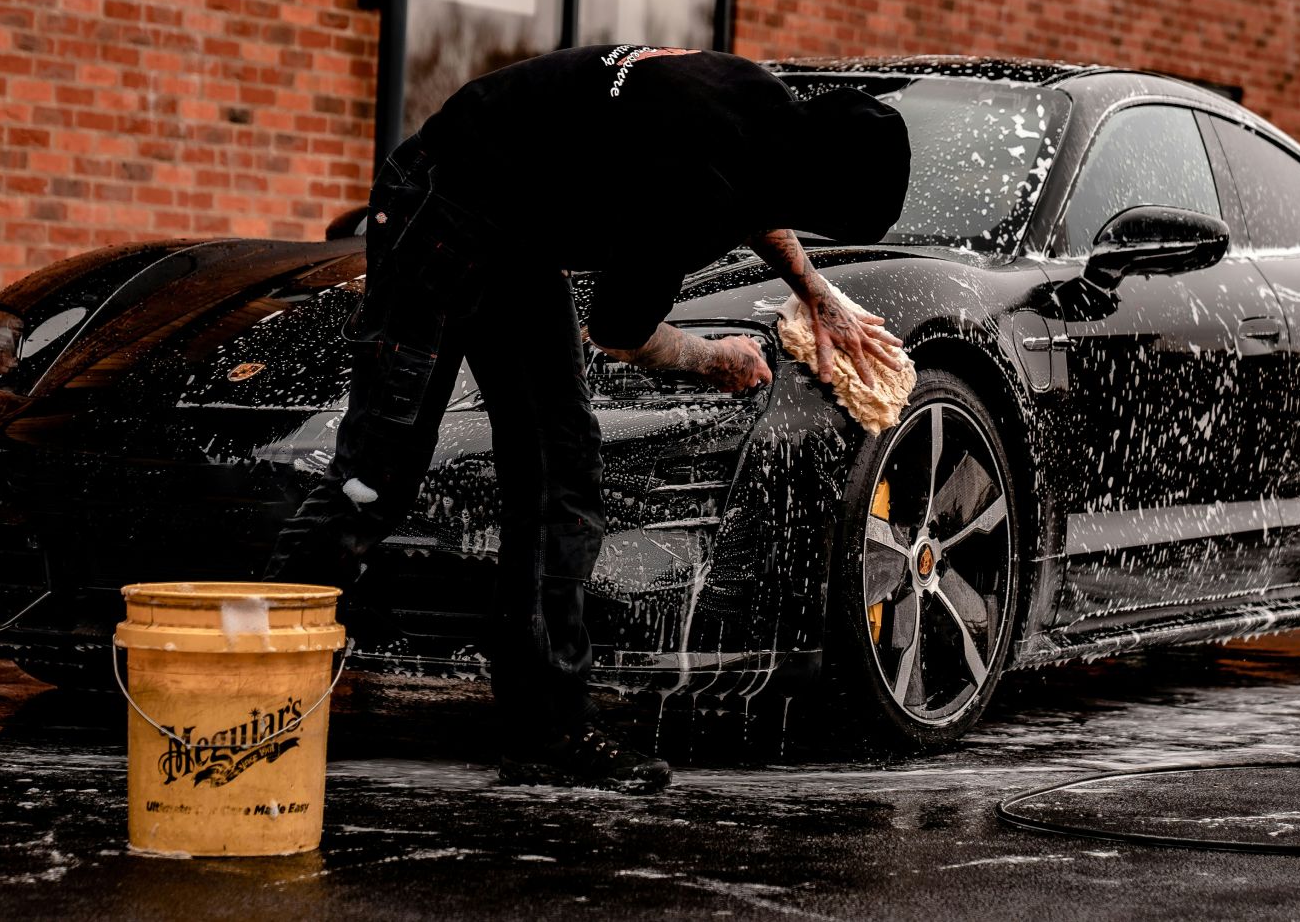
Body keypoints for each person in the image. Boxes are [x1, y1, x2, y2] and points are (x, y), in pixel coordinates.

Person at [264, 44, 910, 793]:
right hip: (437, 206)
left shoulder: (756, 96)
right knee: (376, 476)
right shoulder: (692, 187)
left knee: (557, 467)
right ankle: (251, 695)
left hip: (515, 232)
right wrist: (716, 357)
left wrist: (814, 291)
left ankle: (549, 731)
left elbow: (758, 190)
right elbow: (620, 333)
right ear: (814, 192)